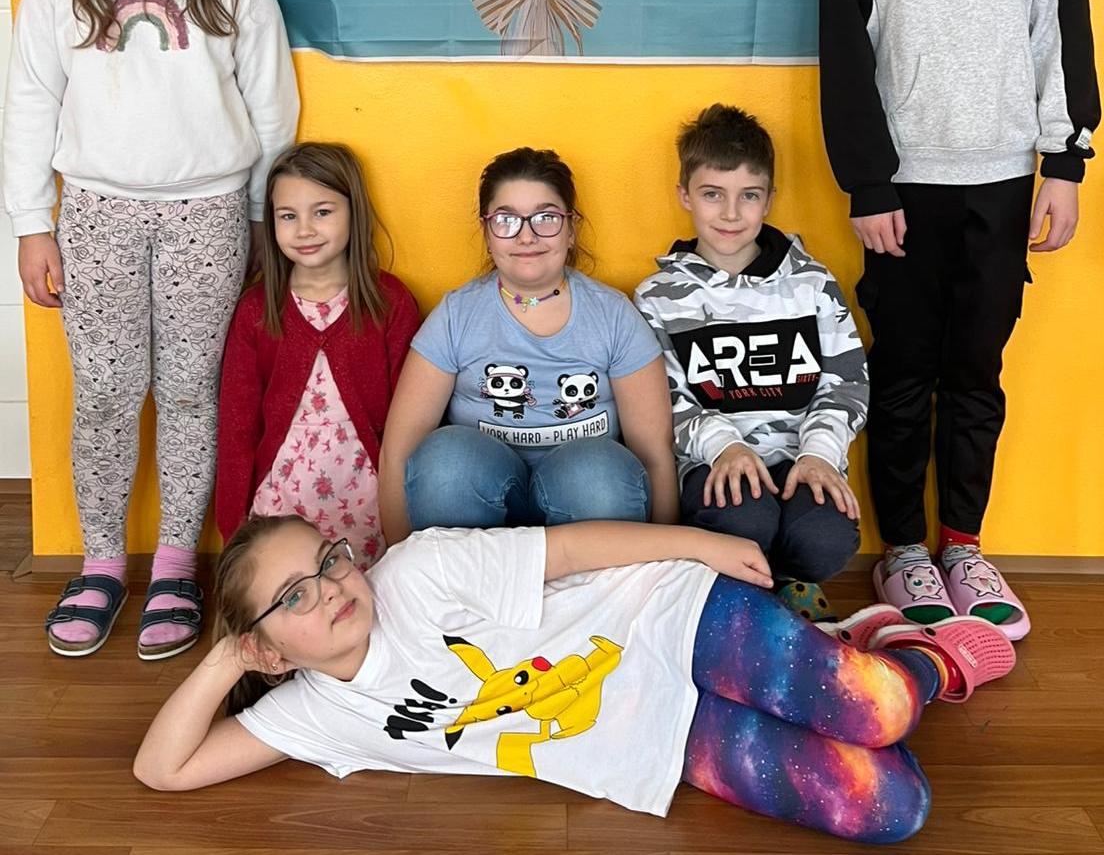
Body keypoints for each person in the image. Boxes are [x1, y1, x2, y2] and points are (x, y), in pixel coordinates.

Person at [132, 513, 1018, 844]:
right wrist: (228, 652)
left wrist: (700, 543)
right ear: (271, 650)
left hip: (670, 617)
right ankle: (842, 648)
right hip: (659, 740)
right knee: (894, 810)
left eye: (327, 559)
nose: (329, 587)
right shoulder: (313, 714)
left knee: (880, 706)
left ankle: (916, 653)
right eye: (294, 595)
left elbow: (569, 549)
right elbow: (161, 769)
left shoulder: (419, 569)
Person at [819, 0, 1099, 634]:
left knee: (976, 374)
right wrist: (867, 180)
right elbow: (844, 45)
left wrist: (1066, 161)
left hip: (1005, 177)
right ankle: (903, 550)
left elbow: (1063, 33)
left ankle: (964, 547)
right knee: (903, 374)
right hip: (904, 184)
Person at [2, 0, 300, 659]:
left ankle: (174, 563)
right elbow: (30, 101)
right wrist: (30, 221)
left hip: (210, 211)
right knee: (103, 391)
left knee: (190, 391)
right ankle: (101, 561)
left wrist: (262, 217)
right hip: (95, 211)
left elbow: (272, 104)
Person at [634, 103, 867, 622]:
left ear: (770, 198)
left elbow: (847, 382)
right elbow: (661, 399)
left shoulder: (812, 283)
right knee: (744, 518)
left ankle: (790, 585)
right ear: (684, 195)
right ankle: (735, 601)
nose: (731, 213)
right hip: (714, 462)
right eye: (712, 194)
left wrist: (820, 454)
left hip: (802, 458)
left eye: (749, 195)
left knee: (826, 536)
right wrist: (726, 446)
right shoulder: (659, 297)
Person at [378, 147, 678, 540]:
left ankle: (591, 581)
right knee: (447, 461)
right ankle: (460, 579)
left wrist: (671, 560)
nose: (526, 236)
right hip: (481, 506)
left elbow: (655, 457)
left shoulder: (614, 315)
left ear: (571, 229)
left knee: (597, 473)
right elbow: (398, 453)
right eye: (506, 220)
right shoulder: (457, 314)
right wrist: (398, 559)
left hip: (584, 511)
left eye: (546, 217)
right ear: (487, 233)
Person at [216, 142, 419, 568]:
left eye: (322, 212)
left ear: (354, 213)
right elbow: (237, 426)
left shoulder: (391, 302)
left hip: (367, 499)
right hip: (281, 497)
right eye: (288, 216)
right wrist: (232, 531)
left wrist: (404, 521)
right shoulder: (256, 310)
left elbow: (412, 421)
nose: (304, 230)